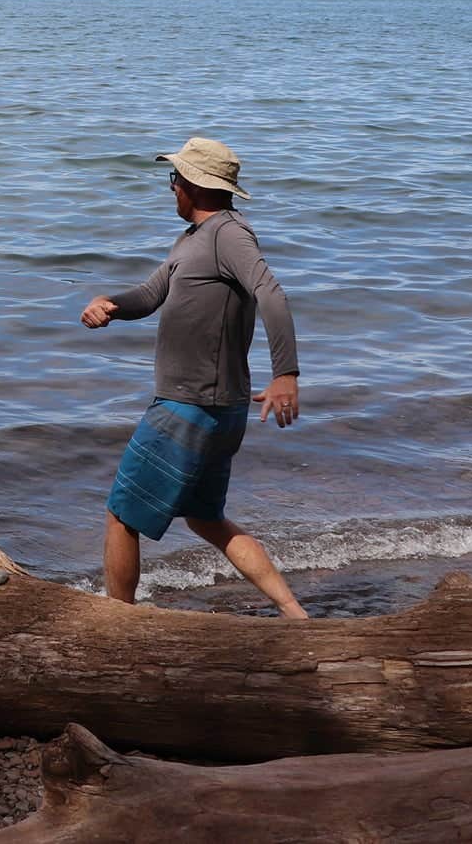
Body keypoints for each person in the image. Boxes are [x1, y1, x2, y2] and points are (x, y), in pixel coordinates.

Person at [79, 137, 309, 619]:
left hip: (190, 406)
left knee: (122, 514)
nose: (172, 189)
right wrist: (112, 305)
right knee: (207, 519)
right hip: (216, 409)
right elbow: (150, 293)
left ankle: (116, 627)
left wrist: (286, 372)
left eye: (175, 180)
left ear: (194, 185)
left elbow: (271, 293)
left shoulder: (228, 234)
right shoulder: (192, 241)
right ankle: (296, 616)